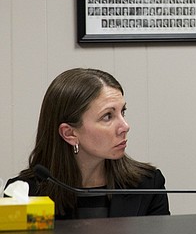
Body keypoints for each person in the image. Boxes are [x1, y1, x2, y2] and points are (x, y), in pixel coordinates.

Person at [6, 68, 170, 219]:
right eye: (107, 116)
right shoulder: (23, 194)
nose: (125, 127)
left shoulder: (148, 184)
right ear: (69, 133)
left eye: (123, 112)